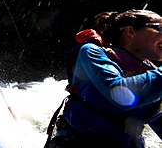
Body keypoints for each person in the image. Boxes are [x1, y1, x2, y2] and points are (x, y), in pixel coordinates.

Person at [46, 9, 162, 148]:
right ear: (130, 31)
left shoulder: (149, 71)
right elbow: (120, 95)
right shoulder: (91, 51)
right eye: (160, 28)